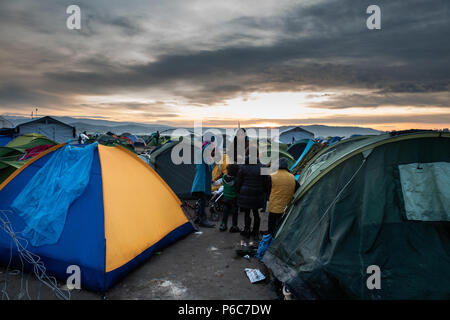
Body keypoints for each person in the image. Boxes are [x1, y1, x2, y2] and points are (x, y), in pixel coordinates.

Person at [235, 154, 270, 240]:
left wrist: (238, 191)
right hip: (257, 194)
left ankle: (246, 230)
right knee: (256, 213)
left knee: (247, 213)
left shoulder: (243, 167)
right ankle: (255, 232)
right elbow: (267, 181)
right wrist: (265, 193)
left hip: (245, 193)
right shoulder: (263, 167)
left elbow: (239, 181)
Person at [266, 158, 299, 236]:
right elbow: (297, 188)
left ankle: (270, 238)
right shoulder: (292, 177)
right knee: (281, 224)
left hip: (274, 204)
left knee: (271, 223)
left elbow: (266, 189)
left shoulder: (272, 176)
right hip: (286, 206)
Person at [191, 140, 215, 228]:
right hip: (201, 184)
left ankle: (198, 218)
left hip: (202, 183)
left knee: (201, 201)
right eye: (212, 150)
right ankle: (202, 219)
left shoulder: (204, 158)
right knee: (202, 201)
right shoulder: (202, 155)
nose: (213, 152)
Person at [219, 164, 240, 232]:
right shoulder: (236, 179)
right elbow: (238, 189)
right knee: (235, 213)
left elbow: (218, 182)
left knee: (225, 211)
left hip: (226, 198)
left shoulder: (224, 177)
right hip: (234, 199)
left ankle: (223, 225)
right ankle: (234, 226)